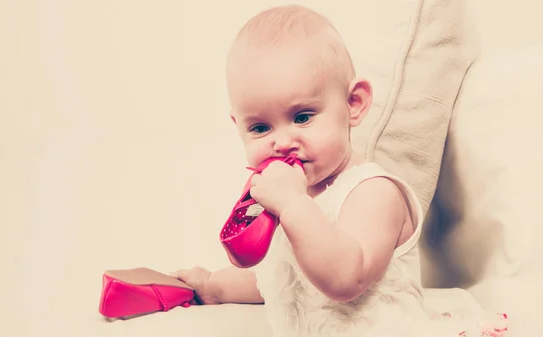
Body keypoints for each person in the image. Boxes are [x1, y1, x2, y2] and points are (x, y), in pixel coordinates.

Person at [170, 5, 510, 337]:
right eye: (260, 128)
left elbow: (345, 278)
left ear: (353, 105)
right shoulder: (296, 199)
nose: (282, 142)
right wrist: (214, 286)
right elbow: (286, 279)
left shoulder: (373, 192)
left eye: (302, 117)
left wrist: (291, 206)